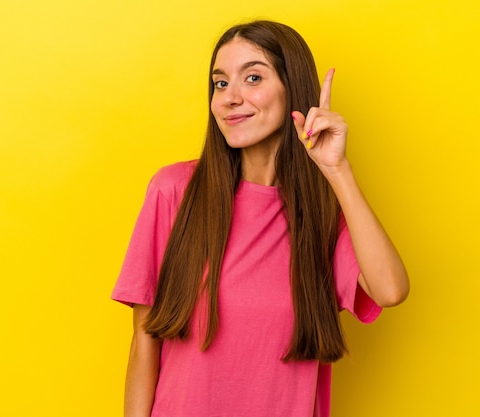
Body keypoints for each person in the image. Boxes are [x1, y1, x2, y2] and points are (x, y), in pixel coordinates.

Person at [112, 20, 409, 417]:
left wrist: (337, 170)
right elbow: (144, 341)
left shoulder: (320, 216)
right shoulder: (174, 191)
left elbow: (390, 290)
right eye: (220, 84)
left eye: (252, 78)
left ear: (293, 91)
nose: (230, 98)